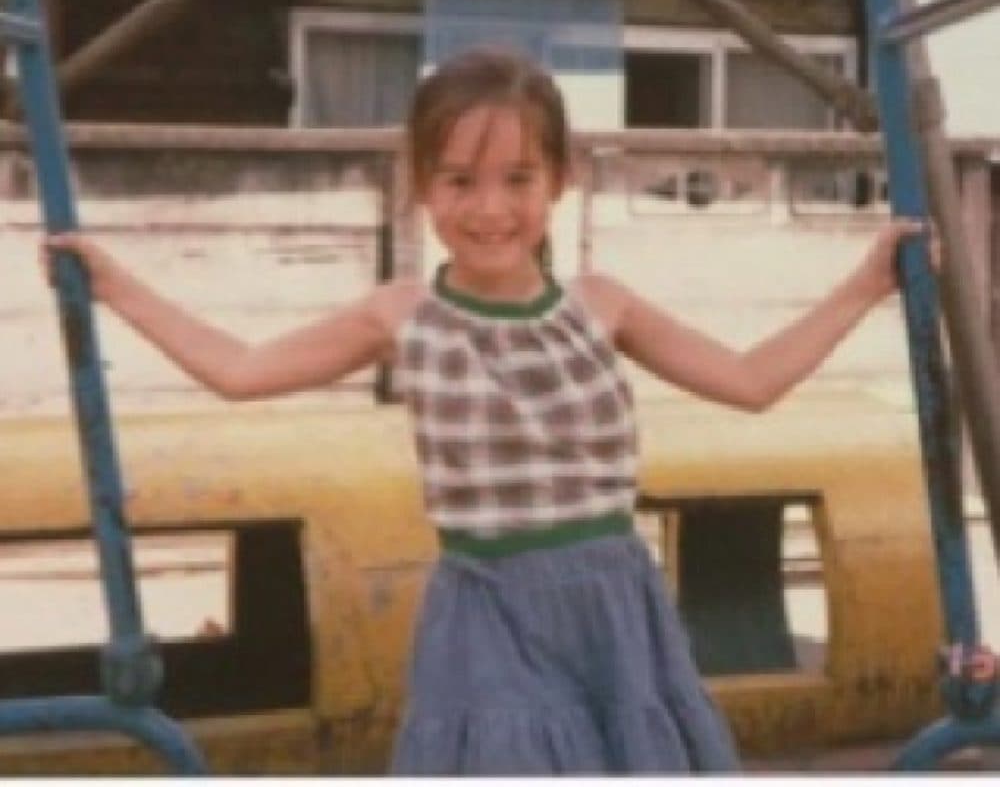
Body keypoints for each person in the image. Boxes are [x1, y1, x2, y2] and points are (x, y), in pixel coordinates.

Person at [44, 47, 929, 775]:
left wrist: (861, 286)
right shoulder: (400, 314)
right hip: (490, 613)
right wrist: (118, 287)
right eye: (459, 180)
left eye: (517, 177)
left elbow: (751, 380)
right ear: (421, 186)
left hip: (615, 607)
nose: (490, 208)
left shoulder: (601, 304)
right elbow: (239, 370)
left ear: (562, 180)